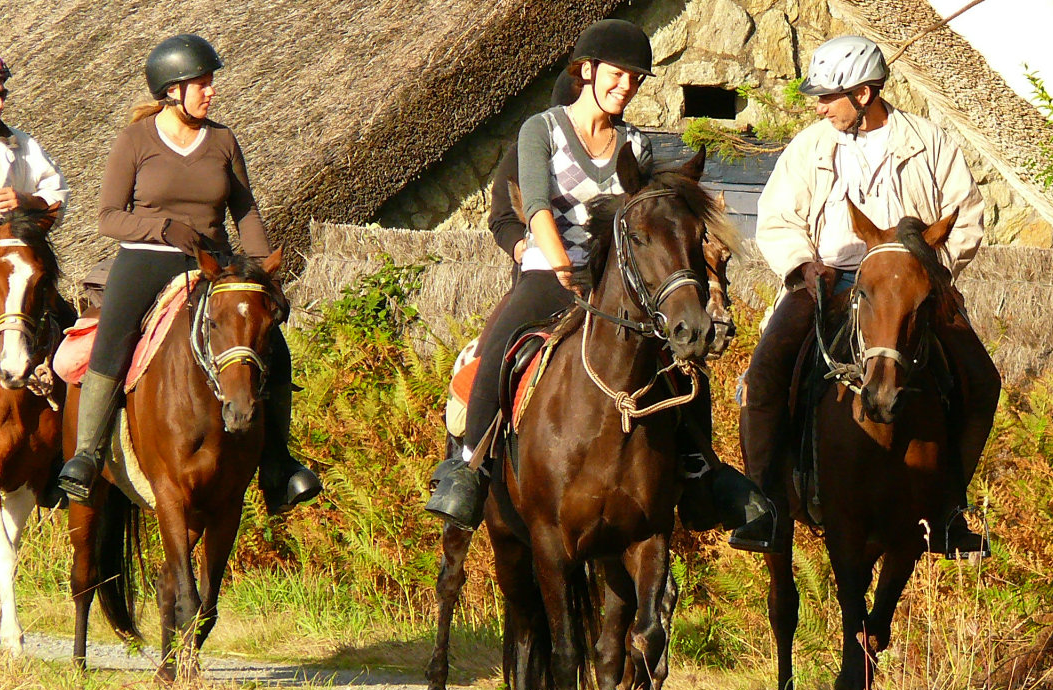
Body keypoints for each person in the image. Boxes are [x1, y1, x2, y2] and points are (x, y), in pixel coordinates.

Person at [427, 20, 778, 551]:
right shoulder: (540, 129)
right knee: (499, 346)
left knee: (682, 360)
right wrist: (560, 262)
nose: (627, 86)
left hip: (619, 281)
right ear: (587, 71)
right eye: (619, 74)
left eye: (636, 79)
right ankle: (469, 469)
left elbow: (649, 212)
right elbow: (539, 205)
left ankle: (702, 470)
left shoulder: (634, 141)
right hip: (554, 271)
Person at [742, 35, 999, 557]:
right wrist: (801, 264)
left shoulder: (929, 141)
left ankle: (949, 510)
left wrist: (928, 275)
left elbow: (967, 216)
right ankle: (765, 507)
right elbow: (776, 219)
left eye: (827, 96)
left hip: (912, 290)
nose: (819, 107)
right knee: (766, 372)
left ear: (863, 93)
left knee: (981, 379)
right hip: (827, 281)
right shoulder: (809, 146)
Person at [57, 35, 322, 513]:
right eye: (201, 84)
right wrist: (161, 226)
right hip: (146, 256)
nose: (211, 92)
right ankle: (87, 454)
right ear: (172, 90)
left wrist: (264, 274)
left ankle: (278, 463)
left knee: (272, 347)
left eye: (210, 83)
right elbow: (107, 217)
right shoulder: (135, 140)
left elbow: (246, 211)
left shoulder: (222, 140)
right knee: (113, 336)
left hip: (211, 263)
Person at [0, 47, 67, 239]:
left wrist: (28, 201)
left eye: (2, 95)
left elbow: (58, 197)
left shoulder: (23, 144)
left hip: (11, 263)